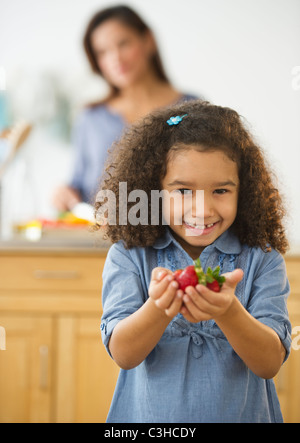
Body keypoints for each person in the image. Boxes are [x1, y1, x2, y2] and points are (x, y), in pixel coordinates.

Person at [95, 99, 292, 423]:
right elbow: (124, 354)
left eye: (221, 191)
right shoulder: (129, 255)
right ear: (152, 190)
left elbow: (269, 363)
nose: (202, 209)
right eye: (183, 190)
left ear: (245, 192)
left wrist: (229, 312)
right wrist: (159, 308)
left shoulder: (263, 259)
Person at [53, 5, 198, 212]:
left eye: (123, 44)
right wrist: (66, 194)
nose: (116, 58)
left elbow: (205, 180)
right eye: (102, 52)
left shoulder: (191, 110)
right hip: (97, 240)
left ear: (148, 40)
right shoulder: (91, 118)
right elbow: (78, 185)